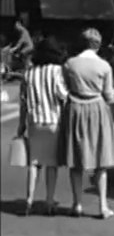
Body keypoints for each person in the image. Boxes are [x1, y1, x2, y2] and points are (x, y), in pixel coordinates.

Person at [58, 28, 114, 219]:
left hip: (75, 108)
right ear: (98, 45)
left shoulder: (70, 64)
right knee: (101, 159)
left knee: (76, 160)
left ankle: (76, 204)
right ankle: (103, 206)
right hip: (97, 109)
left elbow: (65, 88)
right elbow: (109, 96)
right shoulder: (104, 66)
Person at [16, 38, 68, 216]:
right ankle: (49, 200)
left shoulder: (28, 74)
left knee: (34, 163)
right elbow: (62, 95)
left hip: (34, 122)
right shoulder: (57, 71)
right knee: (51, 164)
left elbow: (23, 103)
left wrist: (21, 126)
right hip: (53, 121)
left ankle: (29, 200)